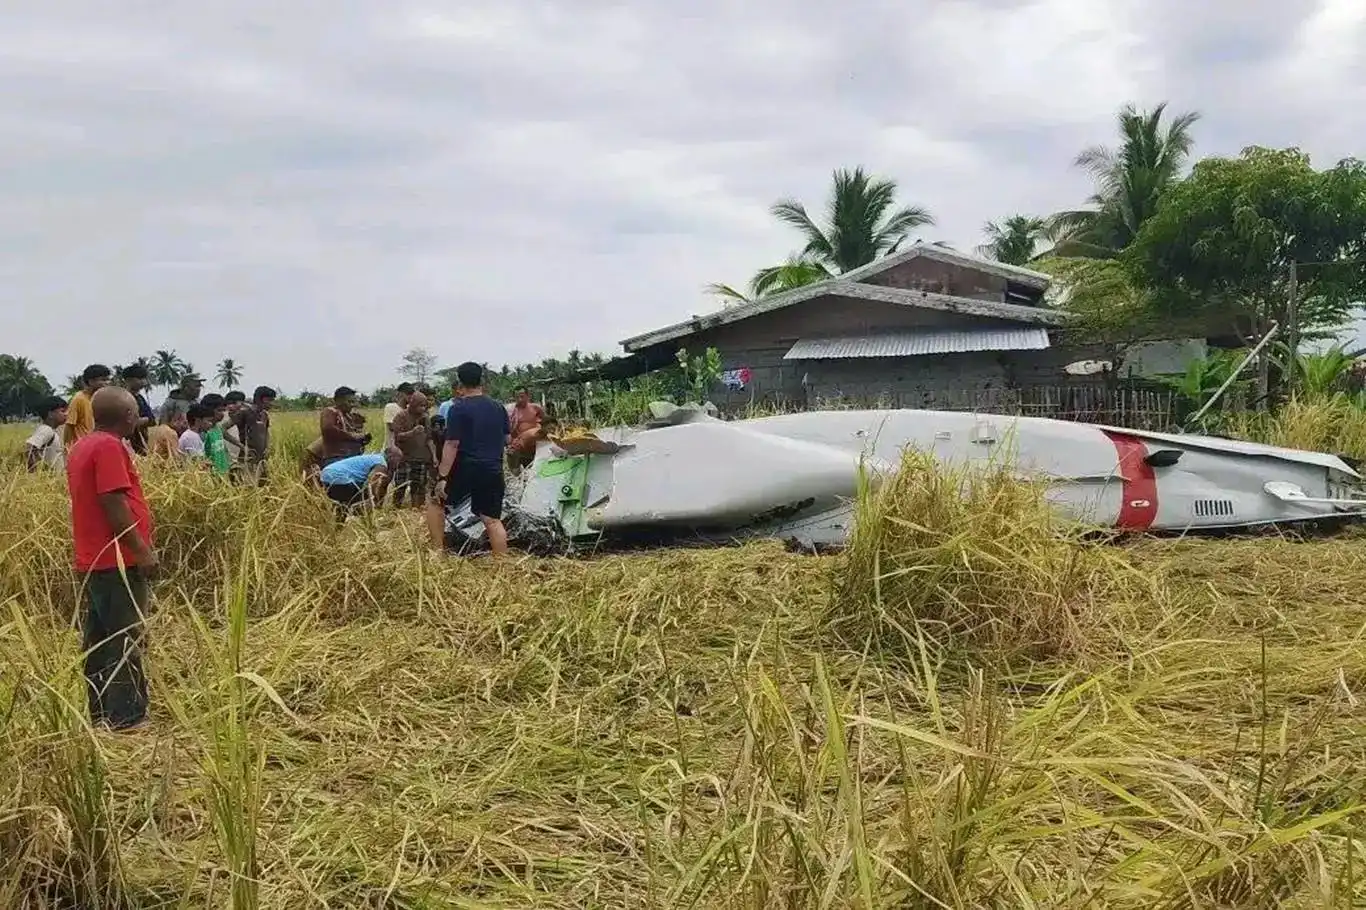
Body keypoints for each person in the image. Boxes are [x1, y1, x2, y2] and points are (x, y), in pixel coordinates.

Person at [66, 386, 157, 731]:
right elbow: (114, 503)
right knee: (126, 638)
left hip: (93, 559)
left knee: (100, 640)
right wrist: (142, 551)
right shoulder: (108, 447)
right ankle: (128, 718)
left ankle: (101, 712)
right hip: (116, 560)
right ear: (130, 417)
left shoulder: (83, 445)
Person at [431, 362, 510, 557]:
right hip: (493, 468)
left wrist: (442, 476)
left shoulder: (458, 408)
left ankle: (437, 553)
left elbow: (452, 444)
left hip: (466, 468)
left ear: (460, 382)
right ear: (481, 380)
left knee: (435, 502)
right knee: (492, 519)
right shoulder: (498, 407)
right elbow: (507, 439)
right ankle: (504, 567)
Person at [318, 447, 403, 520]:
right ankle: (360, 520)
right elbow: (371, 484)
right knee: (360, 499)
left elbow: (381, 486)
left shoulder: (375, 458)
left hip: (326, 475)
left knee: (344, 502)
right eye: (398, 459)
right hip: (338, 477)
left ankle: (336, 520)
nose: (399, 463)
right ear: (391, 457)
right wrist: (374, 502)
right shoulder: (381, 464)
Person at [389, 390, 436, 507]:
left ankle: (417, 510)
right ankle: (396, 510)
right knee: (400, 486)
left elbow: (429, 439)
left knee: (419, 487)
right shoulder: (401, 416)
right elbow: (397, 436)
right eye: (420, 406)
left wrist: (433, 456)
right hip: (405, 458)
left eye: (425, 406)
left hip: (421, 458)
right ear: (413, 404)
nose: (423, 408)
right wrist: (412, 433)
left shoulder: (426, 418)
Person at [64, 364, 113, 449]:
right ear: (91, 381)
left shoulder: (102, 399)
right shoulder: (79, 399)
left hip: (97, 447)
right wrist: (67, 448)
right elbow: (69, 426)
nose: (107, 383)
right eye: (103, 380)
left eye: (108, 380)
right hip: (82, 448)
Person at [234, 386, 275, 484]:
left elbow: (266, 432)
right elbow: (223, 429)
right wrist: (242, 447)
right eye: (270, 400)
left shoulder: (264, 415)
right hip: (247, 459)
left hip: (261, 459)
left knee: (263, 486)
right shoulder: (245, 413)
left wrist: (267, 447)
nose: (272, 404)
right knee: (248, 487)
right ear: (263, 400)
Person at [319, 386, 370, 466]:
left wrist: (363, 439)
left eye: (353, 402)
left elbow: (352, 436)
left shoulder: (349, 416)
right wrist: (355, 436)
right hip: (337, 459)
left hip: (351, 458)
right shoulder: (330, 412)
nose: (352, 405)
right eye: (350, 402)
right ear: (339, 401)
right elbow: (328, 429)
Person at [506, 386, 545, 472]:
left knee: (536, 472)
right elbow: (507, 429)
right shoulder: (511, 411)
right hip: (519, 448)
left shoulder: (535, 408)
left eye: (522, 396)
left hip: (535, 448)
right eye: (516, 397)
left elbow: (546, 422)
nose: (520, 399)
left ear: (528, 396)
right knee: (518, 473)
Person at [119, 364, 157, 455]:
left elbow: (152, 420)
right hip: (127, 441)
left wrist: (140, 420)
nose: (144, 382)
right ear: (129, 380)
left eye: (144, 378)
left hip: (141, 440)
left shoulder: (140, 398)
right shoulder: (121, 398)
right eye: (140, 379)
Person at [25, 395, 68, 471]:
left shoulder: (52, 430)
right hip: (48, 480)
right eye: (62, 411)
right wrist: (34, 471)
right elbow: (30, 447)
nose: (66, 414)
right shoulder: (46, 430)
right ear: (50, 414)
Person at [197, 394, 232, 476]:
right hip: (211, 477)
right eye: (219, 410)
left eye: (223, 411)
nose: (223, 414)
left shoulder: (217, 428)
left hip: (223, 474)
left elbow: (224, 451)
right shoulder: (203, 433)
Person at [220, 391, 247, 477]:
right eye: (229, 403)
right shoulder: (221, 417)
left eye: (235, 403)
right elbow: (221, 430)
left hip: (240, 457)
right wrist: (240, 445)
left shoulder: (244, 418)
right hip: (226, 456)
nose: (231, 406)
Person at [384, 383, 415, 449]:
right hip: (392, 450)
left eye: (412, 394)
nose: (411, 396)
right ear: (401, 394)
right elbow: (392, 427)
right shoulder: (391, 407)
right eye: (409, 393)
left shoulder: (411, 410)